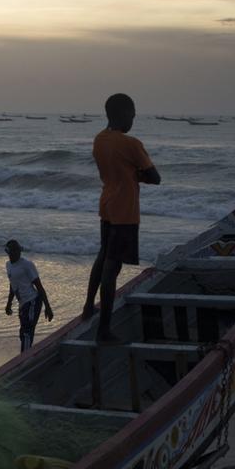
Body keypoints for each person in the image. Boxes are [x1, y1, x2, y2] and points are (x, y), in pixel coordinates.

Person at [82, 93, 160, 343]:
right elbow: (155, 177)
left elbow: (116, 169)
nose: (133, 120)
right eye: (132, 115)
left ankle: (87, 307)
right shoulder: (131, 144)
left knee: (103, 255)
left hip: (106, 204)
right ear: (123, 114)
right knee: (112, 267)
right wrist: (138, 173)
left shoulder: (99, 140)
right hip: (125, 210)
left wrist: (132, 172)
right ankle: (104, 329)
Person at [3, 240, 53, 353]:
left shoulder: (27, 265)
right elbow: (13, 285)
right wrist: (9, 303)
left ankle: (24, 358)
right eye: (14, 251)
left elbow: (39, 287)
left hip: (33, 301)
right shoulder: (8, 266)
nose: (17, 253)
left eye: (18, 250)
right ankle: (27, 354)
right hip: (23, 304)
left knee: (26, 332)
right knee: (23, 333)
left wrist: (48, 307)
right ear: (8, 252)